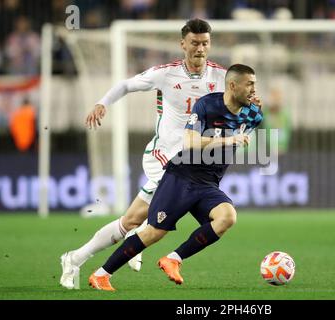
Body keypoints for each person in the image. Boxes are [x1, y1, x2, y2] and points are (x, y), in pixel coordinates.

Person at [60, 19, 227, 290]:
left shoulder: (220, 76)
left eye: (205, 43)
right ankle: (139, 243)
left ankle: (75, 258)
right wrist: (103, 103)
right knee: (154, 222)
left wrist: (250, 100)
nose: (200, 48)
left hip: (190, 162)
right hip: (163, 158)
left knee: (131, 220)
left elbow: (237, 98)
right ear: (182, 44)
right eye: (194, 43)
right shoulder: (165, 73)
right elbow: (126, 85)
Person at [88, 64, 263, 291]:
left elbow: (247, 128)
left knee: (227, 217)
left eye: (254, 84)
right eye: (249, 84)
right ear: (232, 85)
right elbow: (190, 142)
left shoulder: (253, 114)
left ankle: (173, 259)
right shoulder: (207, 104)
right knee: (154, 232)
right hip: (182, 176)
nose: (254, 89)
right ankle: (101, 275)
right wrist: (228, 141)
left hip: (208, 183)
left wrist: (244, 126)